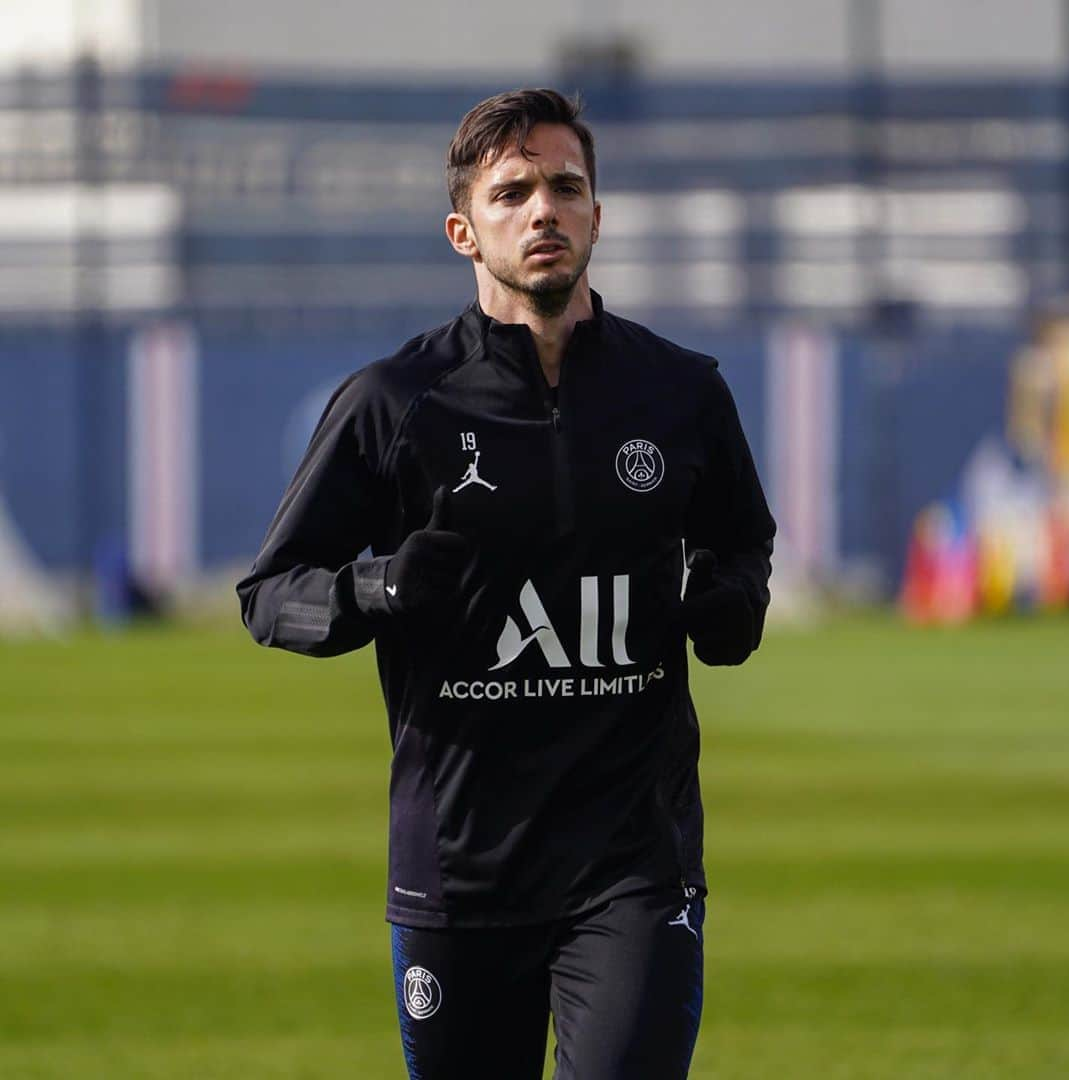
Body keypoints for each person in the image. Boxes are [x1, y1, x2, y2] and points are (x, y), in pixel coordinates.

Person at [237, 88, 776, 1080]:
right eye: (512, 192)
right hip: (459, 869)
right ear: (463, 230)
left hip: (632, 866)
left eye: (566, 189)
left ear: (598, 217)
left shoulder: (681, 392)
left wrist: (730, 603)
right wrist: (382, 589)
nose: (543, 212)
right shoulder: (395, 404)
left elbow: (743, 542)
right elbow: (270, 592)